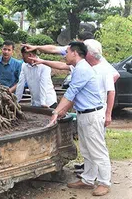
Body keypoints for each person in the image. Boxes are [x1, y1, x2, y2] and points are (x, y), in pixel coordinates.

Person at [43, 42, 111, 196]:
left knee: (97, 150)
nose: (64, 55)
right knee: (87, 150)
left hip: (92, 115)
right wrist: (62, 111)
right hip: (84, 113)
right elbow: (74, 97)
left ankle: (104, 182)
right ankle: (87, 179)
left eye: (66, 52)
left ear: (74, 53)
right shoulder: (79, 68)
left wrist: (56, 112)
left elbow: (71, 93)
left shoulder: (82, 69)